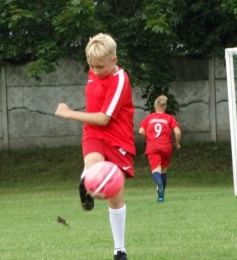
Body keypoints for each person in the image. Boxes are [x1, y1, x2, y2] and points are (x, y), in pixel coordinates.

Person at [55, 33, 135, 260]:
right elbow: (96, 123)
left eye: (100, 66)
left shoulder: (120, 79)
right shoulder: (94, 69)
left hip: (118, 138)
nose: (96, 71)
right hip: (93, 134)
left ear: (114, 59)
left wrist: (69, 113)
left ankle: (119, 250)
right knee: (92, 164)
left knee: (115, 197)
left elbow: (104, 119)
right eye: (91, 66)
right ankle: (86, 180)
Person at [139, 95, 181, 202]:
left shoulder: (149, 118)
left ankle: (159, 183)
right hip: (166, 146)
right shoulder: (169, 118)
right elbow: (177, 132)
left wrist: (150, 137)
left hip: (153, 146)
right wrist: (177, 143)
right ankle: (161, 196)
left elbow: (140, 131)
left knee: (155, 170)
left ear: (154, 106)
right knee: (163, 171)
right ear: (165, 107)